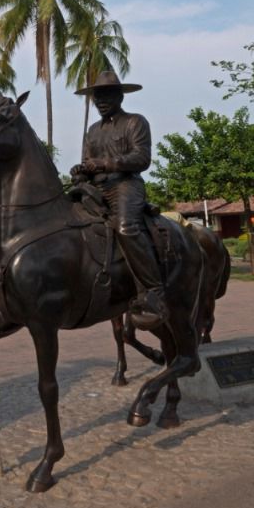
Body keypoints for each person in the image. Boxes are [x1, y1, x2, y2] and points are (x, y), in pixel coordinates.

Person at [70, 70, 166, 330]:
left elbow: (141, 158)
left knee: (126, 227)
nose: (101, 101)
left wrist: (105, 164)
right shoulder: (93, 130)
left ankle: (154, 290)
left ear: (120, 96)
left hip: (125, 184)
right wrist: (81, 171)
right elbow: (88, 162)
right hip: (97, 188)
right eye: (97, 97)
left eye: (107, 95)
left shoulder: (135, 122)